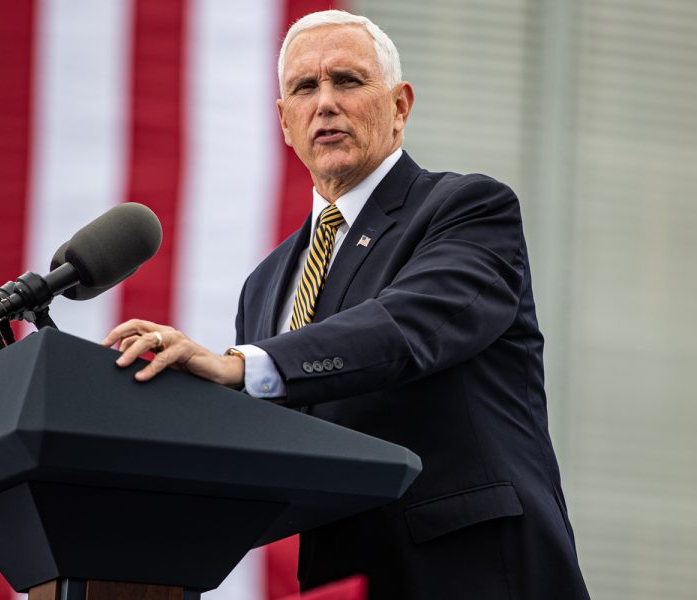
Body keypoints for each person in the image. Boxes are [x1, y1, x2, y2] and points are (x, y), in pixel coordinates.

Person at [103, 9, 590, 600]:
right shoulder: (266, 283)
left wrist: (238, 366)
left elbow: (406, 327)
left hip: (472, 568)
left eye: (348, 81)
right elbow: (268, 446)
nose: (325, 103)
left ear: (401, 104)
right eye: (304, 88)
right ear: (285, 121)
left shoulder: (466, 209)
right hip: (344, 578)